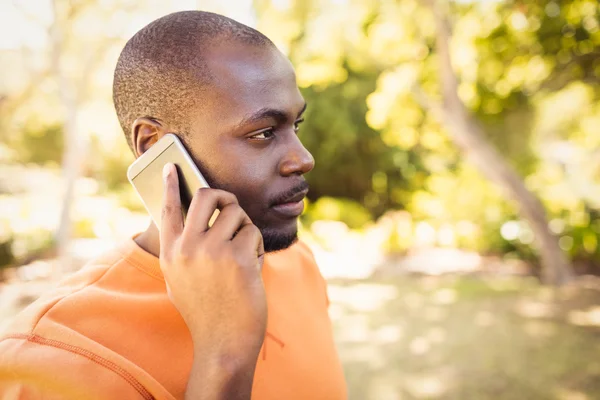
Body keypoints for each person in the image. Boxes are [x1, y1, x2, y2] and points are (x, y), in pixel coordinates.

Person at [0, 11, 347, 400]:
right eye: (263, 132)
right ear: (153, 145)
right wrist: (224, 355)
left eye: (295, 126)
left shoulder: (296, 261)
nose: (303, 158)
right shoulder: (47, 360)